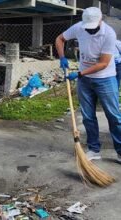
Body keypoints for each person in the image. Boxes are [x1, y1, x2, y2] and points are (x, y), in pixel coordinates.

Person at [55, 7, 121, 162]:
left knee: (114, 116)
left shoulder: (109, 34)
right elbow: (60, 39)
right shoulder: (79, 27)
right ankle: (94, 149)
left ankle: (120, 151)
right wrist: (62, 57)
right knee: (87, 116)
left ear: (100, 21)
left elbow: (104, 63)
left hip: (105, 78)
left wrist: (79, 74)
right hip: (85, 81)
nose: (90, 31)